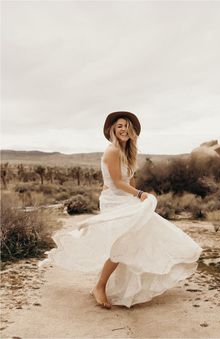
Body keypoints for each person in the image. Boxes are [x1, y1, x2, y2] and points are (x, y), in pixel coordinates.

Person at [38, 111, 203, 309]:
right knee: (122, 243)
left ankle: (124, 285)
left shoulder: (128, 153)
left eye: (126, 126)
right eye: (119, 126)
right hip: (113, 201)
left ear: (131, 131)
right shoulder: (112, 151)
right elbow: (116, 182)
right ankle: (99, 287)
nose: (123, 129)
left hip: (126, 199)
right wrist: (140, 194)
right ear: (112, 131)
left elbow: (130, 180)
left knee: (140, 236)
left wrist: (137, 197)